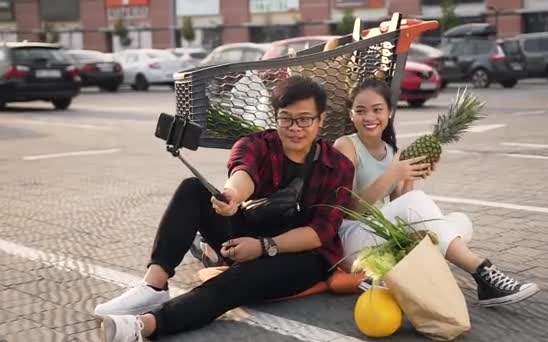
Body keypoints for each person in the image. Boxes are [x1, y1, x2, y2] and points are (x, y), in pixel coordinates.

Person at [94, 76, 355, 341]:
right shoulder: (257, 144)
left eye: (305, 119)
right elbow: (243, 171)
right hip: (248, 232)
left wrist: (264, 247)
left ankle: (146, 325)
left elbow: (319, 232)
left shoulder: (339, 167)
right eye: (286, 118)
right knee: (193, 189)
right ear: (275, 116)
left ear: (321, 120)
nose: (295, 128)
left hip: (303, 256)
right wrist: (231, 196)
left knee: (244, 277)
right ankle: (154, 285)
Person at [334, 78, 539, 307]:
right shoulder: (346, 146)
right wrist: (393, 174)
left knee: (461, 221)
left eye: (377, 110)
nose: (369, 117)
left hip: (381, 236)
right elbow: (349, 210)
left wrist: (408, 178)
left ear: (389, 112)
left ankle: (400, 265)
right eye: (360, 111)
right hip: (351, 237)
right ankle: (482, 272)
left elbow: (399, 207)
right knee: (424, 210)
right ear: (351, 115)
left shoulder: (394, 152)